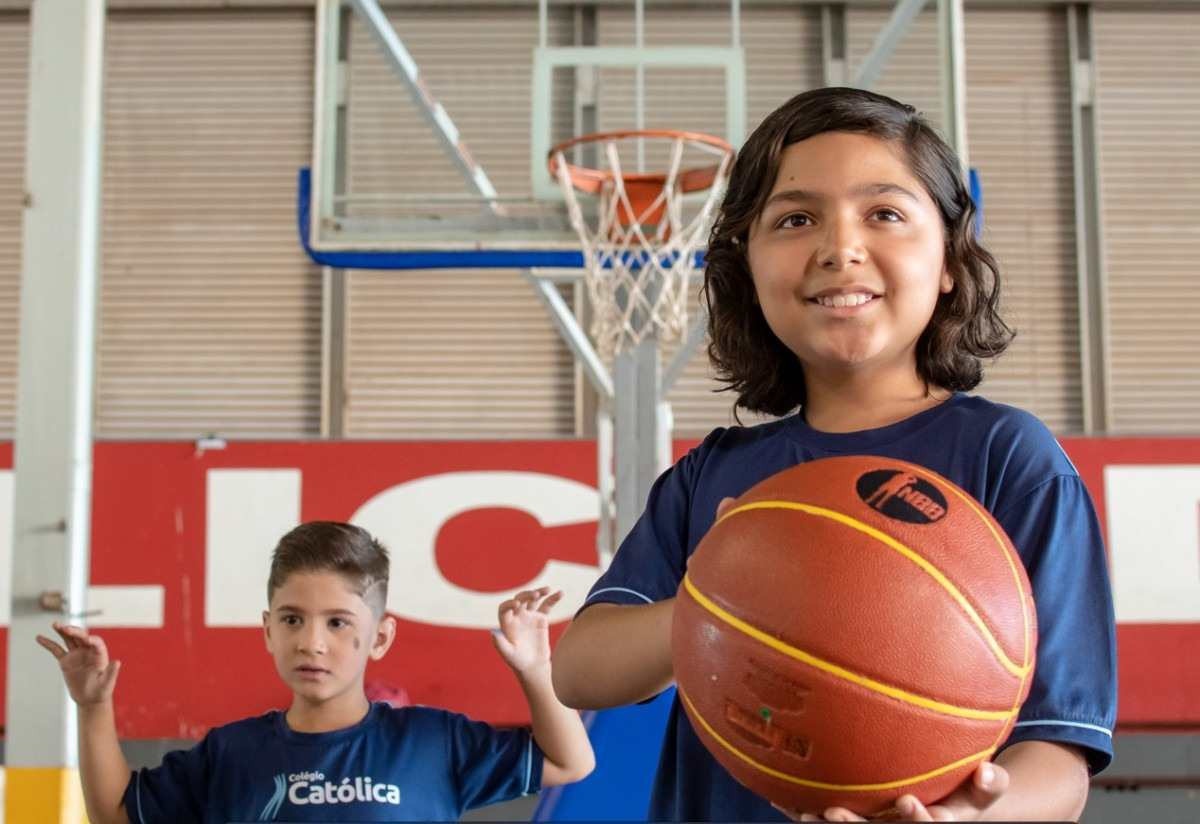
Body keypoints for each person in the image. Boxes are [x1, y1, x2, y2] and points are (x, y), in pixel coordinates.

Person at [551, 87, 1116, 822]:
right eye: (795, 219)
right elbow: (580, 670)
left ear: (948, 259)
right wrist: (726, 605)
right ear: (747, 271)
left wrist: (968, 817)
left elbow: (1061, 760)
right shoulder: (711, 474)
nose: (839, 247)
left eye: (884, 213)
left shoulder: (1009, 458)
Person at [38, 520, 594, 823]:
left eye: (337, 623)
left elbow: (571, 761)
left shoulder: (431, 743)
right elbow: (115, 814)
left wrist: (536, 670)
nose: (312, 642)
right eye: (292, 619)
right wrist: (93, 706)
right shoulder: (231, 754)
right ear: (267, 630)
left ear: (380, 637)